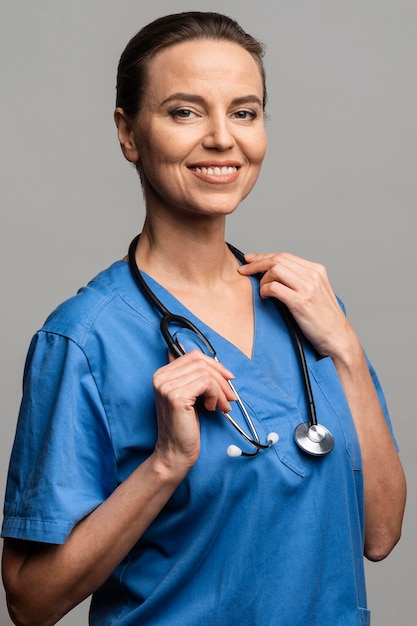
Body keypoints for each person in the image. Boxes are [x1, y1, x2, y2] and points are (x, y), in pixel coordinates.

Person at [1, 11, 406, 626]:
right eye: (185, 112)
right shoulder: (83, 340)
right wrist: (165, 463)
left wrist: (346, 347)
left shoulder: (309, 309)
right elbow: (31, 603)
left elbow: (380, 533)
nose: (222, 139)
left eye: (244, 112)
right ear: (129, 133)